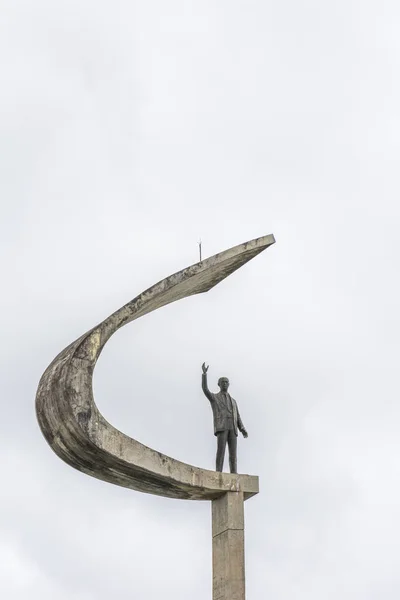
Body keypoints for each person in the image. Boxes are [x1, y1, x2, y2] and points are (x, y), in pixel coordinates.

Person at [201, 362, 248, 473]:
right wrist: (204, 375)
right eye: (223, 382)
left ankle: (234, 473)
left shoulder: (234, 401)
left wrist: (242, 429)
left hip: (233, 428)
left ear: (229, 384)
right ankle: (219, 473)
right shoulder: (215, 398)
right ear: (219, 384)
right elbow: (205, 389)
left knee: (233, 454)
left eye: (227, 382)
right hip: (222, 427)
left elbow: (238, 417)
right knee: (221, 451)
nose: (225, 384)